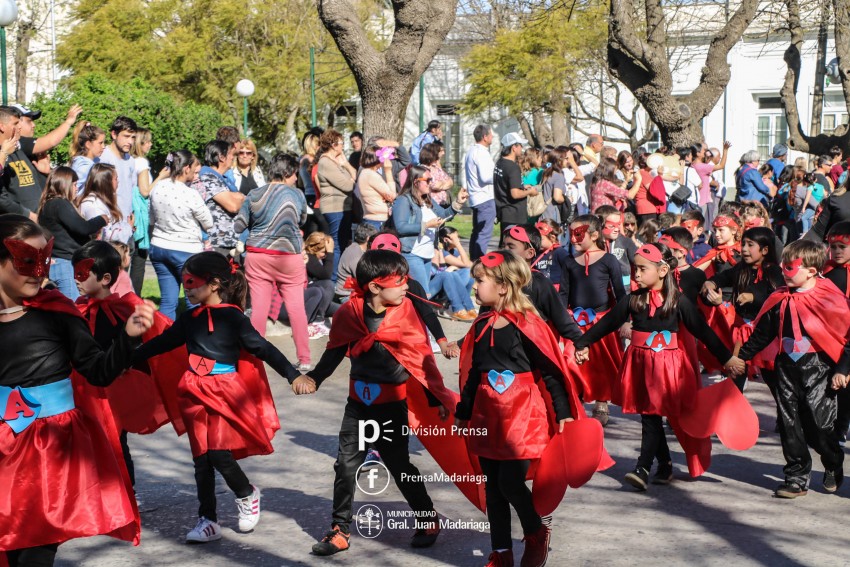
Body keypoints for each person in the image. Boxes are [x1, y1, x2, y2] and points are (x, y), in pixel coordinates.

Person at [0, 214, 154, 566]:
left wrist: (127, 339)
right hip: (4, 449)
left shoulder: (58, 313)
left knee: (35, 554)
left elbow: (98, 372)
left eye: (44, 260)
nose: (39, 271)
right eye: (27, 260)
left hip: (50, 452)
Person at [295, 249, 461, 556]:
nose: (405, 287)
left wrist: (434, 395)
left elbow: (419, 358)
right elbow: (334, 350)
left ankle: (427, 518)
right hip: (358, 404)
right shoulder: (349, 313)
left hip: (391, 405)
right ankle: (340, 530)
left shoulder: (407, 310)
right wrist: (314, 378)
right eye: (398, 281)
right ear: (374, 286)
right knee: (346, 465)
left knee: (399, 465)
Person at [133, 252, 299, 541]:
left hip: (224, 391)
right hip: (193, 391)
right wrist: (126, 359)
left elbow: (262, 348)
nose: (187, 288)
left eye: (191, 282)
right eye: (185, 283)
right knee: (201, 460)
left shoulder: (233, 318)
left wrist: (293, 374)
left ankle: (246, 493)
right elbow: (162, 343)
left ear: (214, 284)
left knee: (220, 455)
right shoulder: (189, 319)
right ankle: (207, 520)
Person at [454, 250, 592, 567]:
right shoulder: (481, 325)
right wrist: (464, 410)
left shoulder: (529, 324)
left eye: (480, 280)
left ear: (503, 286)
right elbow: (475, 372)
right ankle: (501, 553)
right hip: (488, 414)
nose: (475, 286)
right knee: (493, 487)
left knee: (510, 483)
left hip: (522, 414)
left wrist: (562, 412)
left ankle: (535, 530)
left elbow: (552, 371)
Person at [575, 243, 746, 489]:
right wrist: (582, 343)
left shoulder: (678, 302)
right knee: (651, 416)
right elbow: (607, 324)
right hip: (640, 365)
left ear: (663, 270)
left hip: (668, 368)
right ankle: (663, 464)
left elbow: (703, 331)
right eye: (635, 269)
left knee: (652, 416)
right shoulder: (633, 300)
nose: (637, 274)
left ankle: (642, 467)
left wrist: (727, 359)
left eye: (643, 269)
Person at [739, 240, 848, 498]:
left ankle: (833, 461)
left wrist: (843, 369)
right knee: (789, 423)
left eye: (790, 267)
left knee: (820, 426)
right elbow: (762, 334)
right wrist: (740, 357)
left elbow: (846, 335)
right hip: (785, 366)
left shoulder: (828, 296)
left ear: (810, 270)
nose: (783, 271)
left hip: (819, 366)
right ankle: (796, 476)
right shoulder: (778, 299)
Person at [71, 241, 184, 487]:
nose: (76, 280)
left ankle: (126, 493)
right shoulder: (78, 312)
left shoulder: (125, 309)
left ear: (105, 278)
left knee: (116, 441)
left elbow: (148, 341)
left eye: (81, 274)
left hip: (117, 391)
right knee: (96, 443)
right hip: (90, 391)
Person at [234, 152, 311, 369]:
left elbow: (239, 225)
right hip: (289, 257)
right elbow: (302, 219)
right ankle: (304, 359)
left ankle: (254, 358)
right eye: (295, 173)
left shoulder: (254, 194)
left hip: (258, 255)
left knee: (258, 308)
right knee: (297, 309)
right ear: (287, 172)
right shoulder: (297, 195)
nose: (296, 178)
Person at [557, 214, 627, 425]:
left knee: (601, 365)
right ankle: (575, 399)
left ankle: (601, 402)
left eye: (579, 234)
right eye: (571, 234)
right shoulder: (569, 262)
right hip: (575, 322)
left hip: (601, 322)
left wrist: (625, 320)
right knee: (572, 360)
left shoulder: (608, 260)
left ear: (595, 235)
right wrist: (560, 321)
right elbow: (564, 295)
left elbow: (619, 293)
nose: (573, 239)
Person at [702, 227, 783, 390]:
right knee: (735, 375)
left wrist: (753, 297)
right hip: (741, 333)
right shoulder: (741, 269)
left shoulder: (774, 271)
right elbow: (722, 278)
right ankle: (732, 411)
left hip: (765, 336)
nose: (744, 249)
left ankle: (785, 415)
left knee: (775, 382)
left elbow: (778, 296)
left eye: (750, 245)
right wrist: (711, 283)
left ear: (765, 250)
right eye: (743, 244)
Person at [148, 150, 212, 320]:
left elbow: (152, 219)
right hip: (185, 251)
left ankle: (164, 341)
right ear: (186, 168)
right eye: (193, 168)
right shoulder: (191, 194)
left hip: (159, 247)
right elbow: (209, 223)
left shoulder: (158, 187)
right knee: (194, 300)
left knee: (168, 301)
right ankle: (193, 341)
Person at [392, 164, 467, 296]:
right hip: (412, 253)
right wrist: (426, 225)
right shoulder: (403, 200)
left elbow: (443, 215)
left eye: (431, 179)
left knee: (422, 294)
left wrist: (458, 203)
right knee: (423, 294)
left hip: (427, 254)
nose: (430, 183)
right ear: (416, 182)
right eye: (427, 180)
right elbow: (401, 227)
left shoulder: (427, 199)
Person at [0, 104, 82, 221]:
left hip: (38, 222)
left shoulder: (18, 147)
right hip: (17, 225)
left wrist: (47, 173)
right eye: (15, 123)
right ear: (2, 126)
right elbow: (2, 199)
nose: (19, 128)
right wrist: (29, 216)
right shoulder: (7, 151)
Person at [37, 167, 107, 299]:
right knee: (74, 308)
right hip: (64, 264)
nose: (76, 188)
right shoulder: (59, 203)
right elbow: (82, 228)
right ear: (65, 185)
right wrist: (101, 219)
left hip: (61, 262)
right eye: (74, 184)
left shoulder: (49, 204)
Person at [316, 129, 358, 274]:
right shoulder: (326, 163)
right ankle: (333, 279)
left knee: (342, 243)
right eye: (341, 143)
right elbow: (348, 185)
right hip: (334, 209)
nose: (343, 146)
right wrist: (351, 179)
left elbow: (353, 176)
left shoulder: (336, 162)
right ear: (333, 145)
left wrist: (346, 164)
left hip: (343, 208)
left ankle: (337, 277)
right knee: (337, 245)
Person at [199, 140, 244, 258]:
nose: (233, 157)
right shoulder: (207, 177)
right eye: (231, 154)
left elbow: (239, 198)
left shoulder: (223, 179)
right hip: (218, 243)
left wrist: (240, 198)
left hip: (230, 242)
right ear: (221, 157)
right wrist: (243, 199)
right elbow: (233, 205)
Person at [97, 117, 137, 241]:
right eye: (126, 136)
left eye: (133, 137)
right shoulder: (103, 158)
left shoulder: (130, 160)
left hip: (127, 226)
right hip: (109, 228)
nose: (130, 141)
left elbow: (130, 190)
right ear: (114, 134)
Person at [78, 163, 134, 244]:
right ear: (106, 182)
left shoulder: (102, 201)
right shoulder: (93, 205)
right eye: (115, 179)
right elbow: (104, 238)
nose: (118, 181)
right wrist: (128, 228)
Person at [464, 124, 496, 259]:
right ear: (485, 137)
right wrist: (499, 176)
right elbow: (485, 177)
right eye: (491, 134)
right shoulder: (481, 152)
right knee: (483, 234)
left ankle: (473, 260)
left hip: (476, 197)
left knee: (477, 233)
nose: (493, 136)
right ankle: (478, 262)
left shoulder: (471, 151)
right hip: (484, 198)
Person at [130, 127, 154, 294]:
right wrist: (161, 177)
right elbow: (145, 191)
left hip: (128, 213)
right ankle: (134, 298)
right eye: (148, 141)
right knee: (139, 260)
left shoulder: (126, 160)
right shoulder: (141, 162)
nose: (151, 144)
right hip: (140, 215)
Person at [494, 132, 536, 227]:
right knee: (514, 241)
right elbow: (515, 194)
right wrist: (530, 192)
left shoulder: (500, 163)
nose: (522, 148)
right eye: (520, 145)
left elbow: (505, 184)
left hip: (504, 212)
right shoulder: (513, 167)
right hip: (514, 215)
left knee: (506, 241)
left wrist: (522, 186)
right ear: (514, 147)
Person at [303, 231, 339, 334]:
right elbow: (326, 275)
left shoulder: (317, 258)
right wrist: (331, 253)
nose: (326, 256)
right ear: (314, 249)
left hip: (320, 301)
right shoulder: (309, 258)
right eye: (324, 252)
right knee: (329, 284)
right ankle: (318, 320)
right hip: (310, 298)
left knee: (341, 310)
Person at [596, 205, 637, 292]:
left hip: (623, 289)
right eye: (611, 226)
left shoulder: (625, 241)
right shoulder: (594, 243)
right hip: (601, 291)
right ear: (600, 224)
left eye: (618, 225)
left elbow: (638, 260)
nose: (617, 229)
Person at [335, 223, 378, 303]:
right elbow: (364, 278)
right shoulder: (356, 254)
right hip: (347, 295)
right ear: (368, 238)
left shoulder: (356, 248)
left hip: (353, 292)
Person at [356, 144, 396, 230]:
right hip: (377, 222)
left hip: (373, 220)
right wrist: (388, 171)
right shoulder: (371, 175)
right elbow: (392, 196)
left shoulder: (366, 173)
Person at [69, 121, 107, 193]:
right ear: (88, 144)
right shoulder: (85, 166)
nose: (103, 147)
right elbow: (71, 190)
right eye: (100, 143)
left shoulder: (93, 161)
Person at [420, 142, 454, 207]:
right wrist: (444, 182)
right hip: (432, 204)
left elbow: (451, 182)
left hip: (443, 203)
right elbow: (435, 186)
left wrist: (441, 184)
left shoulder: (436, 167)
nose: (438, 156)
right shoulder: (423, 169)